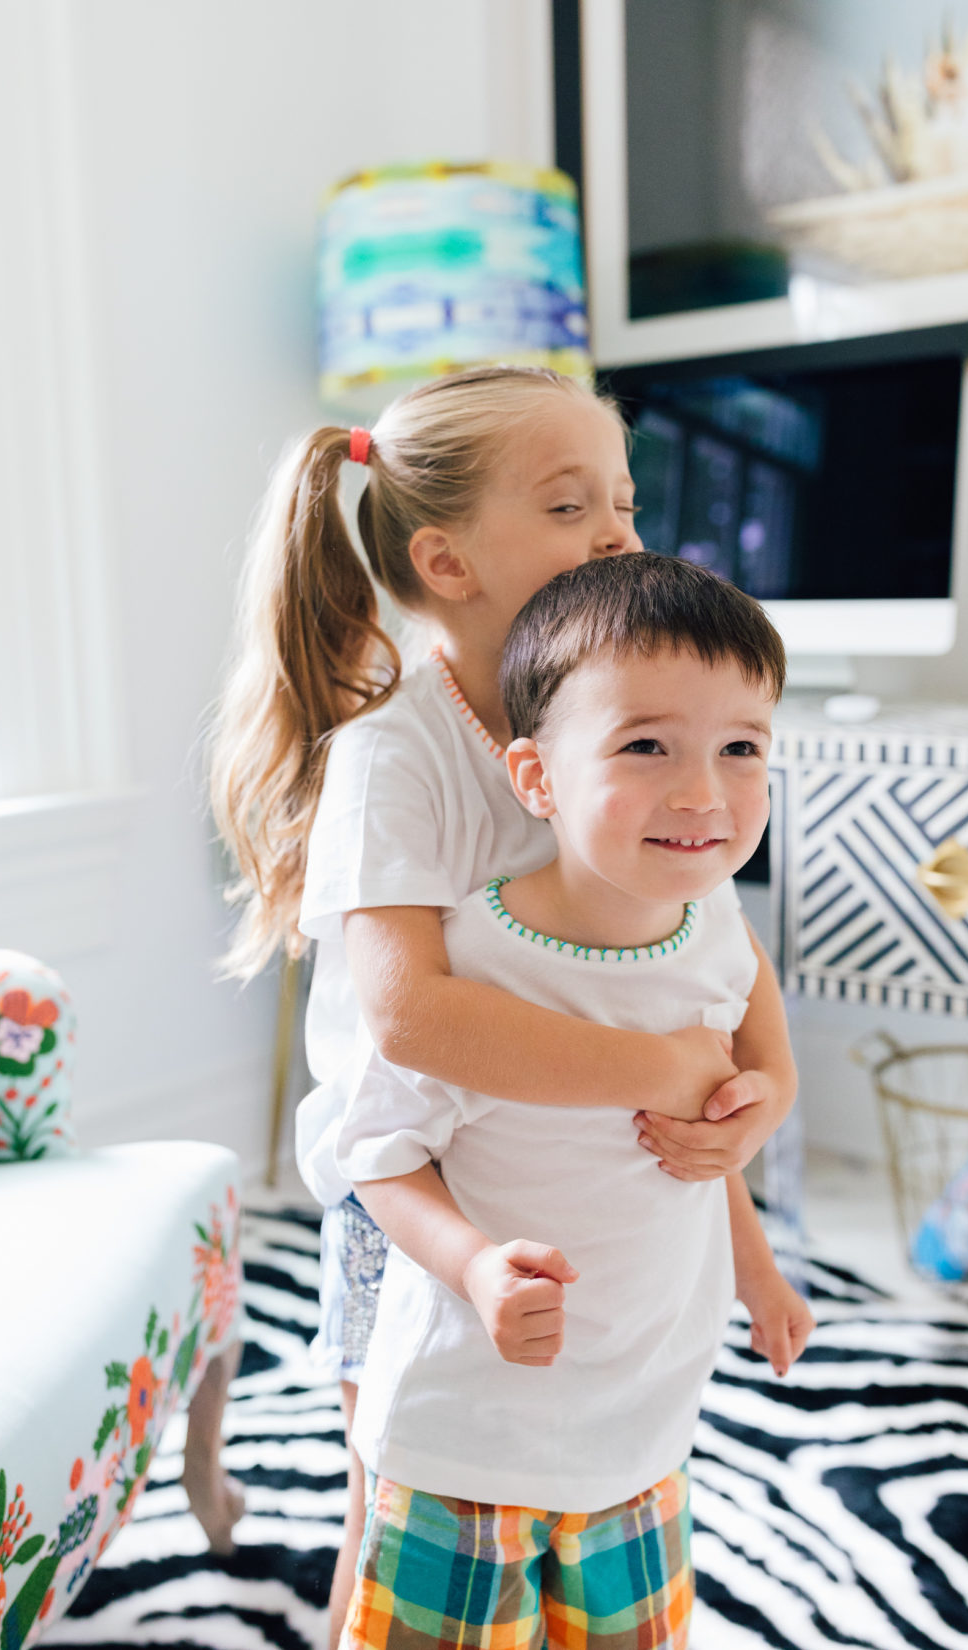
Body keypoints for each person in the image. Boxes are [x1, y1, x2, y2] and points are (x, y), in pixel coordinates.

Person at [208, 367, 797, 1641]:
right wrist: (663, 1070)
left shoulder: (618, 728)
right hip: (416, 1168)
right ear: (448, 559)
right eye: (571, 504)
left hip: (572, 1147)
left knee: (594, 1417)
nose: (620, 535)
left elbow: (712, 967)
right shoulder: (396, 757)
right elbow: (412, 1022)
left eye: (625, 503)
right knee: (408, 1468)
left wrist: (746, 1114)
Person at [333, 551, 815, 1650]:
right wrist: (469, 1265)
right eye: (645, 745)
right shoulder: (474, 968)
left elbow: (694, 1154)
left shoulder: (714, 935)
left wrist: (757, 1273)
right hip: (466, 1432)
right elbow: (379, 1154)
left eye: (740, 748)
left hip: (638, 1428)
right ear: (535, 778)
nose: (702, 790)